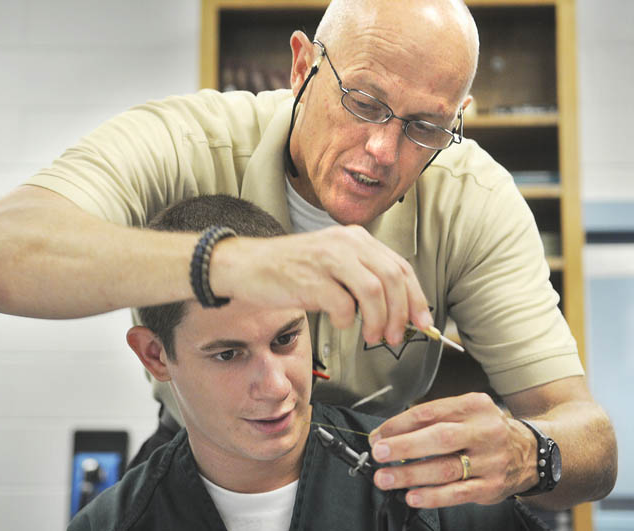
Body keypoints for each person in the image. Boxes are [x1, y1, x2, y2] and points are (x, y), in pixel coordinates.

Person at [0, 0, 616, 510]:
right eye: (365, 101)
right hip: (198, 461)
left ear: (457, 118)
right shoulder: (189, 142)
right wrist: (232, 264)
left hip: (373, 482)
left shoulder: (474, 199)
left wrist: (534, 452)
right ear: (301, 67)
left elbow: (590, 439)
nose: (383, 150)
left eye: (425, 127)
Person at [68, 194, 549, 531]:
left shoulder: (440, 493)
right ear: (156, 355)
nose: (277, 386)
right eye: (229, 354)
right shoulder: (110, 524)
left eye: (285, 339)